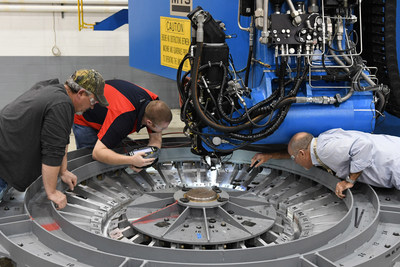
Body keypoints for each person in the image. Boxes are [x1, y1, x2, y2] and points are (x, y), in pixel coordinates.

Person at [0, 69, 108, 209]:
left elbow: (60, 141)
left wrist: (63, 171)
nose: (92, 107)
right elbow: (52, 151)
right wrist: (51, 192)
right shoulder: (61, 105)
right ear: (81, 93)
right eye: (93, 101)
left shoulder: (52, 89)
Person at [251, 128, 400, 199]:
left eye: (293, 158)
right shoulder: (319, 144)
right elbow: (294, 153)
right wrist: (269, 155)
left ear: (302, 154)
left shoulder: (326, 151)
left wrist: (349, 181)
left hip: (395, 164)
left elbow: (363, 145)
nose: (293, 161)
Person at [73, 79, 172, 172]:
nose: (163, 130)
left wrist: (146, 162)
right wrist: (131, 160)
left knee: (115, 153)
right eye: (162, 128)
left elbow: (155, 141)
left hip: (112, 108)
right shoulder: (123, 118)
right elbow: (97, 153)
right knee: (91, 164)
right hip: (86, 118)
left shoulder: (154, 102)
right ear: (149, 122)